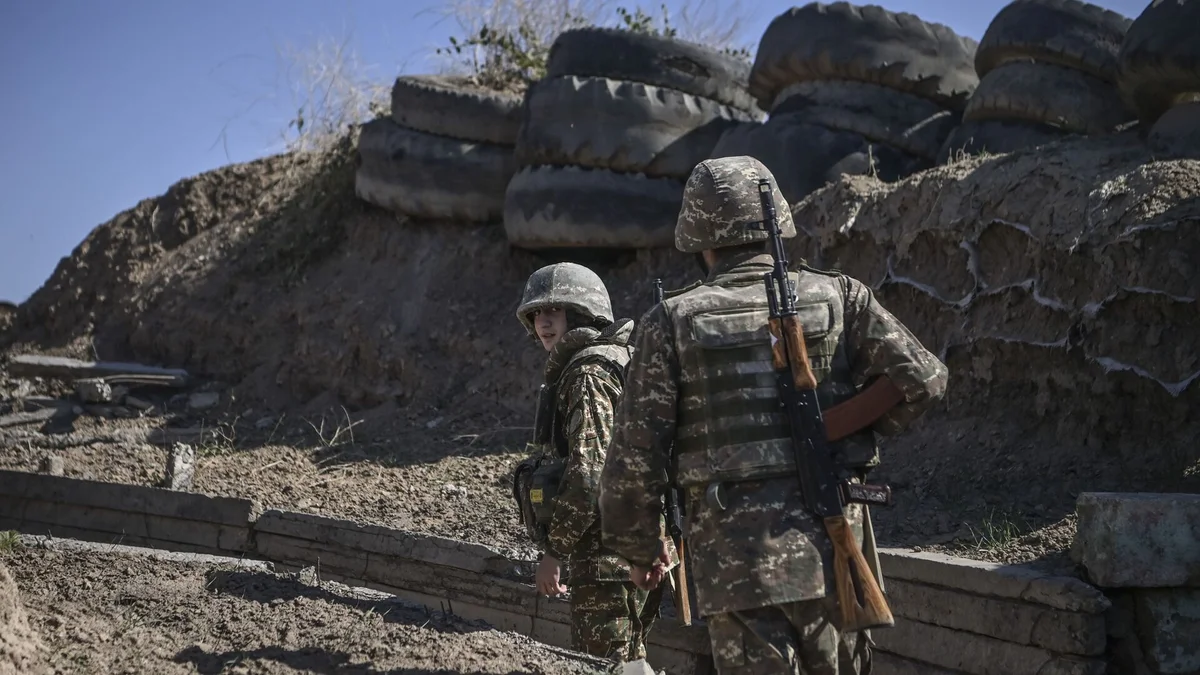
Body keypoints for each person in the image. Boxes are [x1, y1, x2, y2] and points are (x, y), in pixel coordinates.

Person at [598, 156, 949, 675]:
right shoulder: (839, 295)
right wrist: (845, 434)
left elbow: (635, 456)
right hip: (831, 541)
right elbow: (924, 380)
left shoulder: (670, 322)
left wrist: (641, 548)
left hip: (734, 563)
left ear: (699, 239)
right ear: (777, 224)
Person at [510, 261, 675, 664]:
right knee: (630, 661)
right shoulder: (619, 360)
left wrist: (554, 552)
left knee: (607, 665)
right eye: (537, 315)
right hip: (637, 543)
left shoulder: (586, 373)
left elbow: (588, 473)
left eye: (554, 312)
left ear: (582, 315)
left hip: (606, 554)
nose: (543, 323)